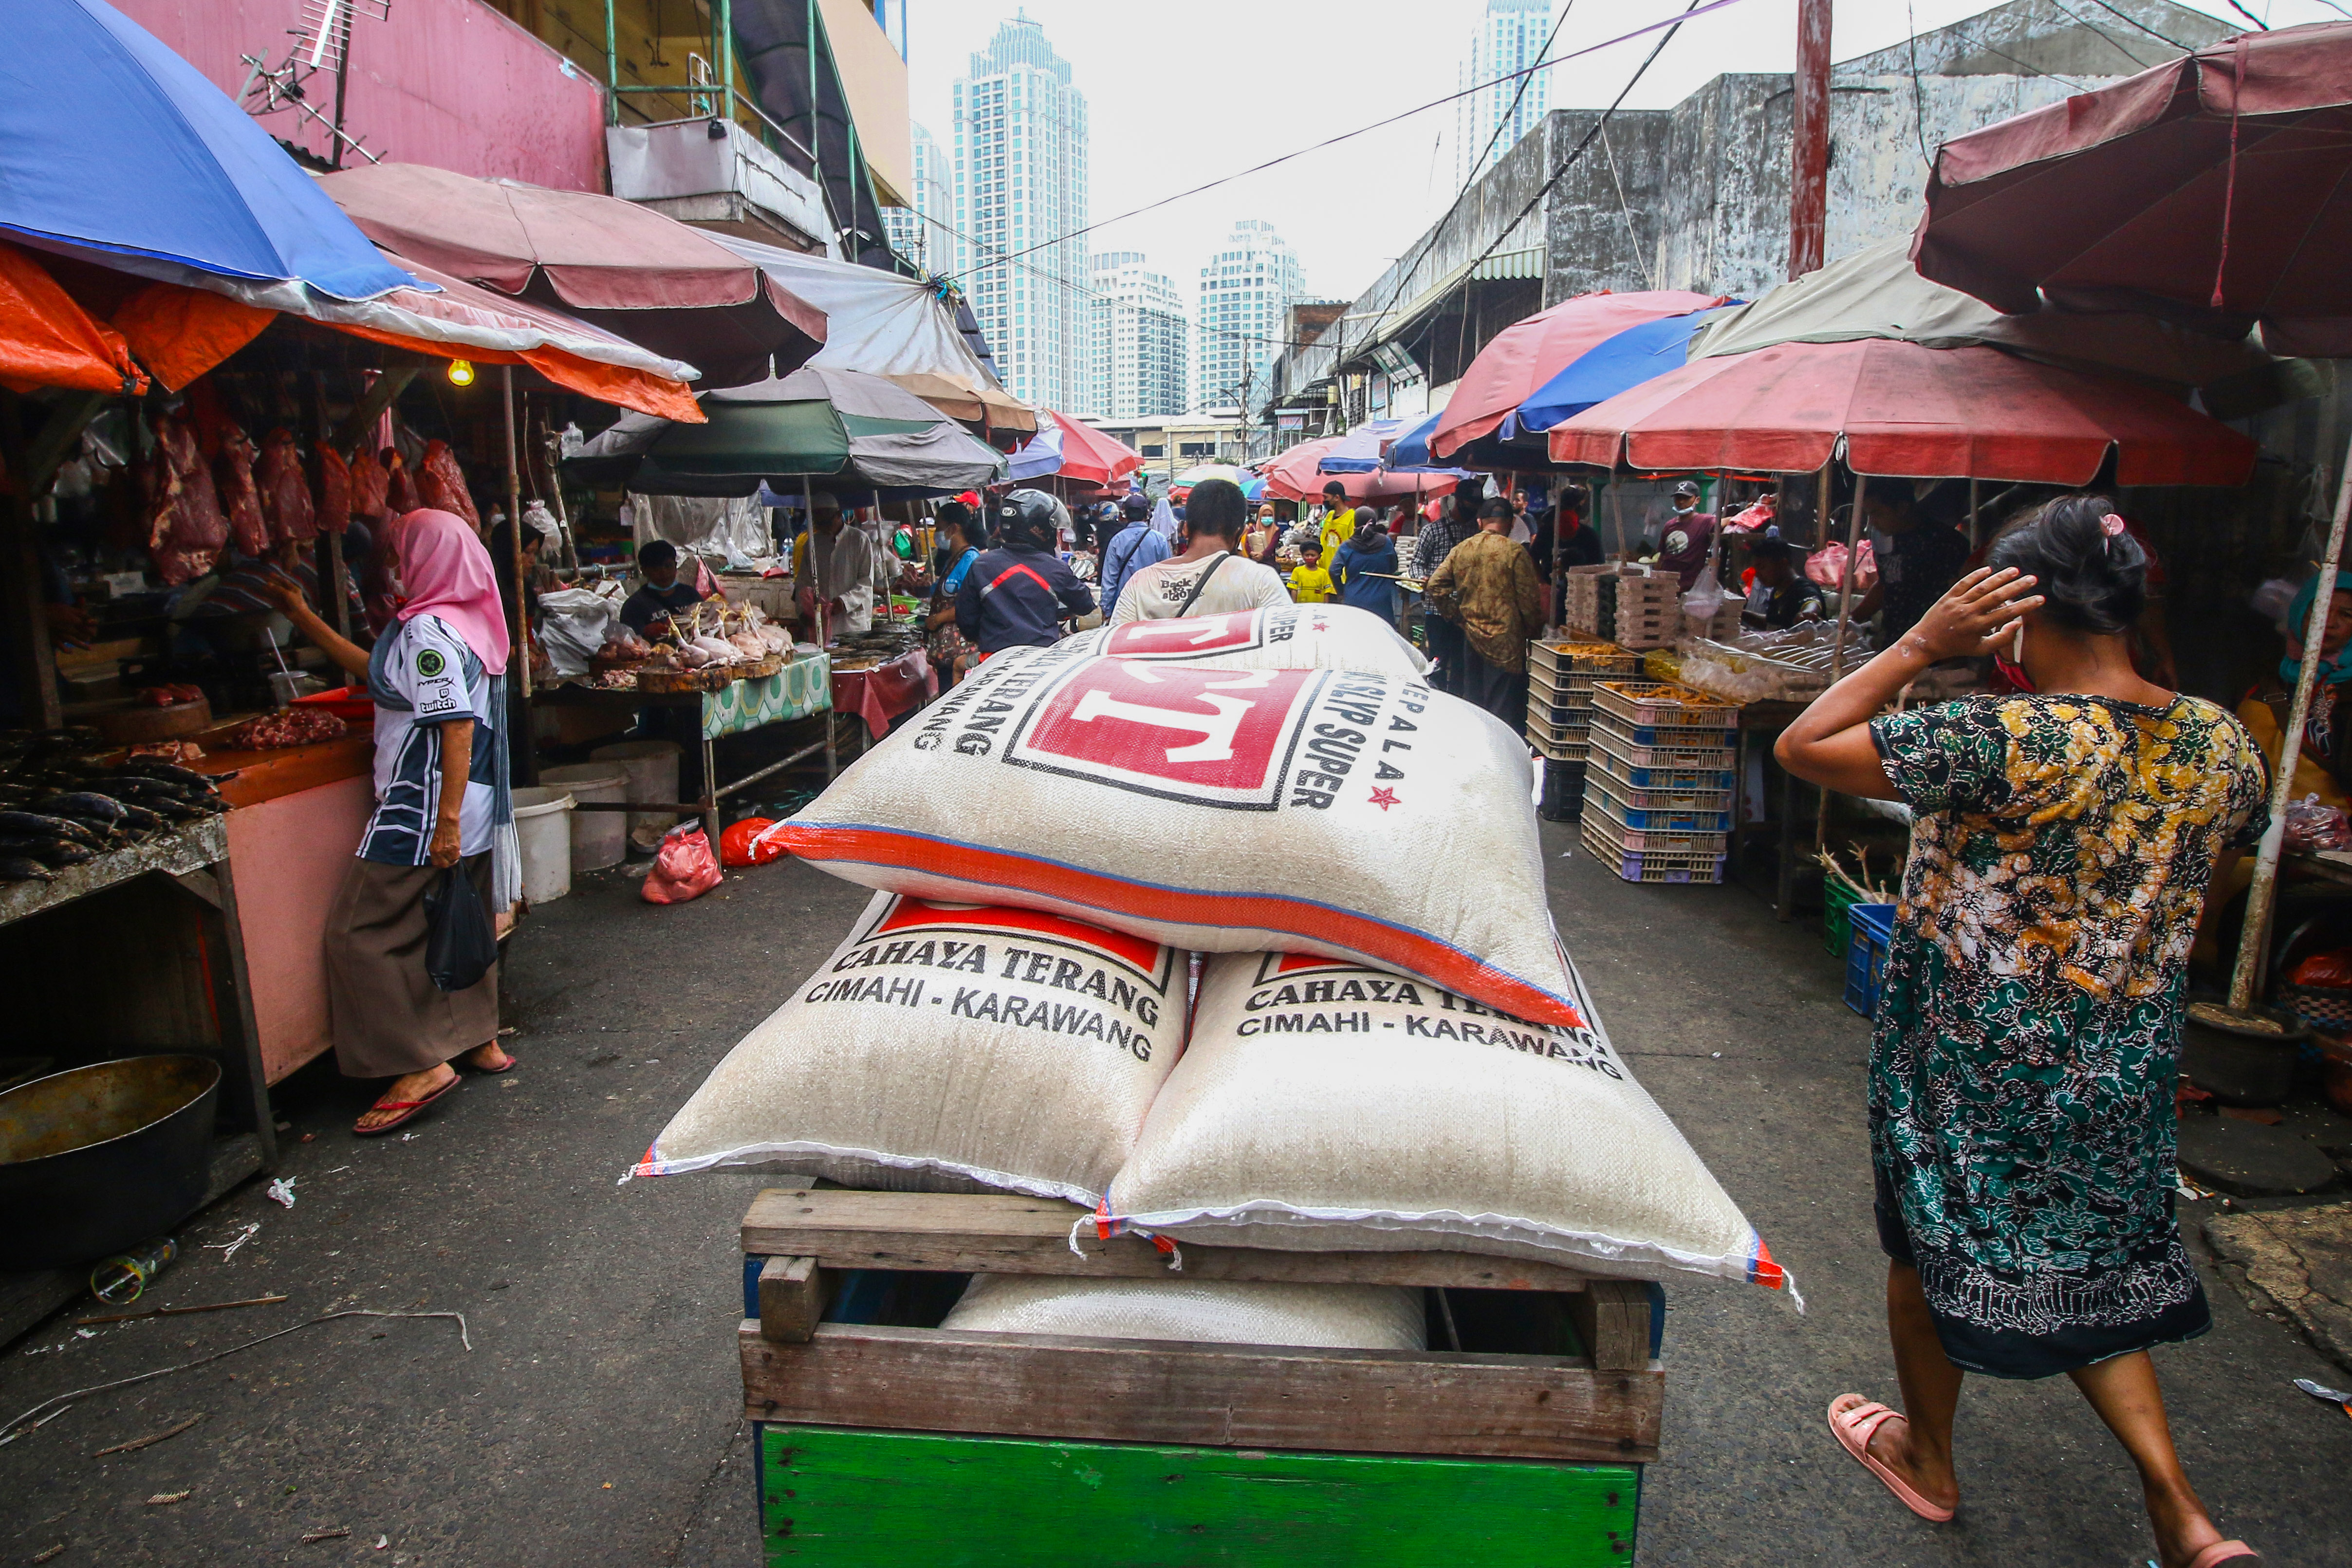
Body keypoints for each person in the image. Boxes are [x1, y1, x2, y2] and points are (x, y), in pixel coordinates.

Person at [1774, 497, 2268, 1568]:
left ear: (2011, 609)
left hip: (1968, 1058)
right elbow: (2210, 891)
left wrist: (1917, 641)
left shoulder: (2007, 737)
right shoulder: (2222, 742)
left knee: (1927, 1246)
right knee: (2097, 1268)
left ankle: (1927, 1455)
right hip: (2122, 1058)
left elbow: (1805, 743)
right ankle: (2185, 1517)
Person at [259, 511, 517, 1137]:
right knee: (454, 914)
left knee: (359, 934)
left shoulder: (428, 630)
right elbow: (382, 680)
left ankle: (418, 1063)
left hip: (424, 806)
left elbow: (452, 724)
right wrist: (303, 616)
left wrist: (445, 824)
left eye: (402, 554)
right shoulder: (469, 620)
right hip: (477, 800)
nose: (394, 566)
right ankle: (478, 1038)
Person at [2238, 572, 2352, 813]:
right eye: (2319, 608)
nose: (2329, 622)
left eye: (2346, 615)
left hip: (2331, 838)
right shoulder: (2263, 677)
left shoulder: (2348, 692)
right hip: (2255, 833)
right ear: (2300, 612)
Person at [1427, 497, 1544, 732]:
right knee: (1503, 709)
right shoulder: (1515, 552)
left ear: (1480, 522)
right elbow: (1529, 601)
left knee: (1475, 702)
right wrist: (1533, 633)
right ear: (1511, 524)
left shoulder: (1463, 549)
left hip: (1471, 637)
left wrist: (1456, 617)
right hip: (1507, 643)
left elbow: (1435, 585)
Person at [1112, 478, 1293, 624]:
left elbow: (1115, 650)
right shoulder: (1260, 580)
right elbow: (1284, 647)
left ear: (1185, 529)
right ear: (1240, 532)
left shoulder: (1141, 582)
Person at [956, 488, 1095, 656]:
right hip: (1041, 659)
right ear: (1040, 528)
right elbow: (1085, 605)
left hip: (993, 659)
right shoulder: (1055, 568)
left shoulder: (981, 565)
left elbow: (966, 621)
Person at [1857, 485, 1970, 644]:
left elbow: (1961, 595)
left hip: (1936, 644)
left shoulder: (1944, 542)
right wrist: (1851, 620)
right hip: (1895, 639)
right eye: (1869, 515)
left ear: (1902, 508)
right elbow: (1885, 583)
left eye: (1878, 513)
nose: (1872, 523)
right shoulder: (1884, 540)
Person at [1414, 491, 1481, 696]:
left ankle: (1461, 698)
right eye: (1470, 503)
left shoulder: (1477, 532)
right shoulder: (1433, 530)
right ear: (1459, 501)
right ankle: (1437, 695)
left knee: (1463, 659)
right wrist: (1423, 579)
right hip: (1437, 608)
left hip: (1467, 609)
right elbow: (1417, 563)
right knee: (1438, 657)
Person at [794, 501, 880, 641]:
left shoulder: (859, 539)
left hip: (851, 624)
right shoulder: (812, 543)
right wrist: (803, 611)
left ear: (839, 515)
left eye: (826, 522)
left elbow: (866, 582)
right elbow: (803, 583)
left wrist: (845, 601)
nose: (823, 527)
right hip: (820, 622)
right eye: (819, 523)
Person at [925, 502, 987, 686]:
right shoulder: (954, 558)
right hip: (947, 651)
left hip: (961, 649)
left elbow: (973, 602)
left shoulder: (971, 559)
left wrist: (938, 619)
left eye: (939, 527)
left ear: (954, 528)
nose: (936, 533)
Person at [1098, 493, 1170, 620]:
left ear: (1124, 515)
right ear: (1147, 514)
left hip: (1124, 607)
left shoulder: (1117, 540)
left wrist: (1107, 609)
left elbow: (1109, 579)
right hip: (1152, 605)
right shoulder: (1160, 540)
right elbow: (1167, 576)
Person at [1740, 528, 1827, 630]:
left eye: (1762, 567)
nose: (1758, 575)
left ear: (1783, 563)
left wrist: (1808, 613)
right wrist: (1736, 613)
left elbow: (1812, 602)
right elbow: (1772, 623)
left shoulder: (1803, 588)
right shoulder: (1778, 591)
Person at [619, 539, 705, 638]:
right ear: (644, 571)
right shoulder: (634, 607)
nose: (664, 573)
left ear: (676, 566)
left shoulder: (691, 595)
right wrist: (647, 633)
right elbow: (630, 644)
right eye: (656, 569)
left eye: (668, 566)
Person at [1655, 479, 1717, 591]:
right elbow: (1662, 557)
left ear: (1697, 500)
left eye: (1687, 498)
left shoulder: (1705, 521)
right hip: (1667, 586)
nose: (1682, 502)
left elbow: (1722, 523)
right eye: (1678, 498)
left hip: (1690, 587)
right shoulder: (1669, 526)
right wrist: (1655, 581)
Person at [1332, 519, 1400, 621]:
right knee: (1381, 633)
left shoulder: (1347, 546)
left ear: (1355, 526)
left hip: (1353, 599)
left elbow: (1333, 570)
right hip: (1381, 601)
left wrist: (1341, 592)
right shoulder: (1386, 542)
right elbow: (1394, 566)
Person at [1317, 481, 1357, 568]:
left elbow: (1353, 547)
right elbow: (1323, 543)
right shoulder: (1329, 516)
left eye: (1326, 497)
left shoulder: (1352, 517)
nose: (1324, 501)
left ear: (1336, 498)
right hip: (1326, 570)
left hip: (1342, 571)